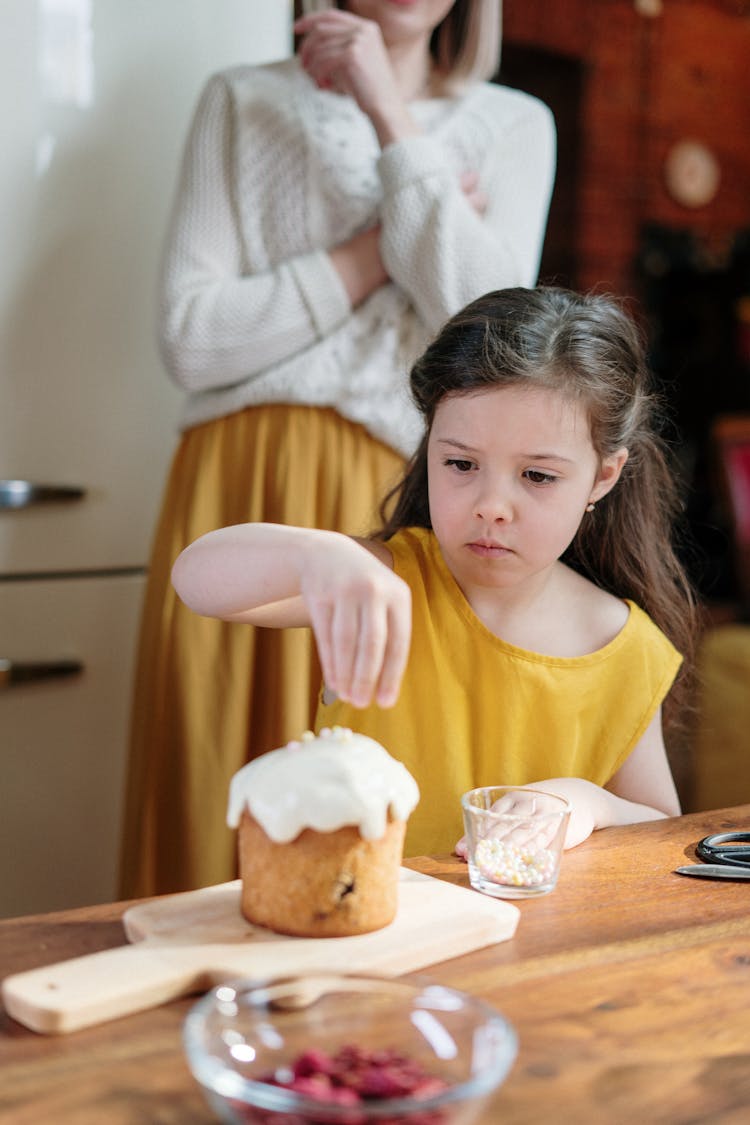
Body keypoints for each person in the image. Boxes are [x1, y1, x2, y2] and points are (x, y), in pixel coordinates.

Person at [119, 0, 556, 897]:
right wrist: (373, 253)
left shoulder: (515, 123)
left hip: (395, 495)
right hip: (238, 484)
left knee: (362, 788)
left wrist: (390, 122)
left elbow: (503, 338)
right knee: (212, 775)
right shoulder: (241, 101)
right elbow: (192, 337)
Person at [171, 286, 698, 856]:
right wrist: (315, 556)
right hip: (361, 925)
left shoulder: (626, 647)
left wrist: (585, 802)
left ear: (603, 476)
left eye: (538, 476)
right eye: (461, 464)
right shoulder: (385, 583)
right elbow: (196, 579)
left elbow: (659, 831)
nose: (492, 504)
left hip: (534, 942)